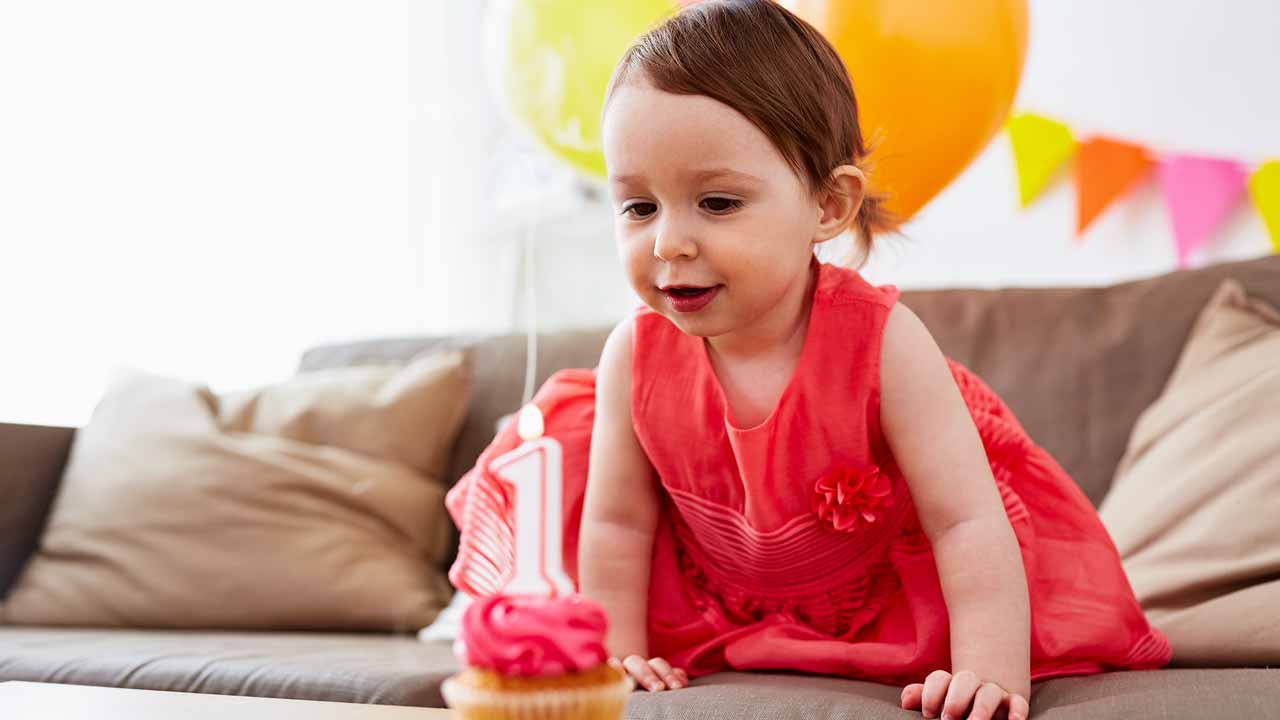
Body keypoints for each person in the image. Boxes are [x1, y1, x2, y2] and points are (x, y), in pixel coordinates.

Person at [568, 2, 1172, 720]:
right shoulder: (632, 354)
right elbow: (618, 525)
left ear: (829, 204)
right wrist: (616, 651)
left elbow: (966, 522)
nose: (668, 242)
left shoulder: (884, 342)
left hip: (882, 606)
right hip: (713, 605)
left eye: (717, 201)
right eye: (638, 208)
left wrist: (989, 671)